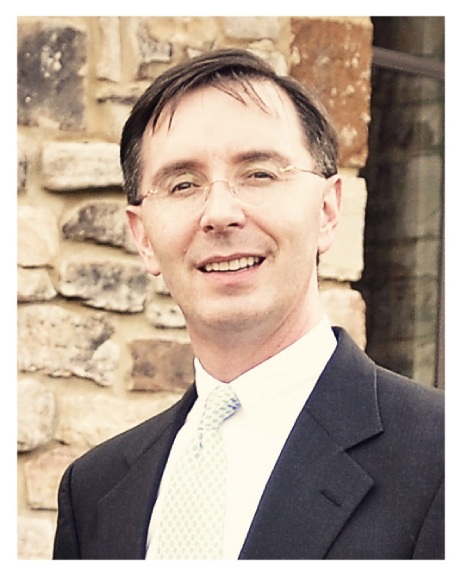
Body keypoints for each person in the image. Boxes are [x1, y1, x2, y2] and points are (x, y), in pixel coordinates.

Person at [53, 48, 444, 560]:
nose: (219, 213)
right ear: (143, 237)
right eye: (183, 184)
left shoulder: (441, 455)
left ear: (327, 212)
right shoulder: (94, 491)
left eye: (259, 173)